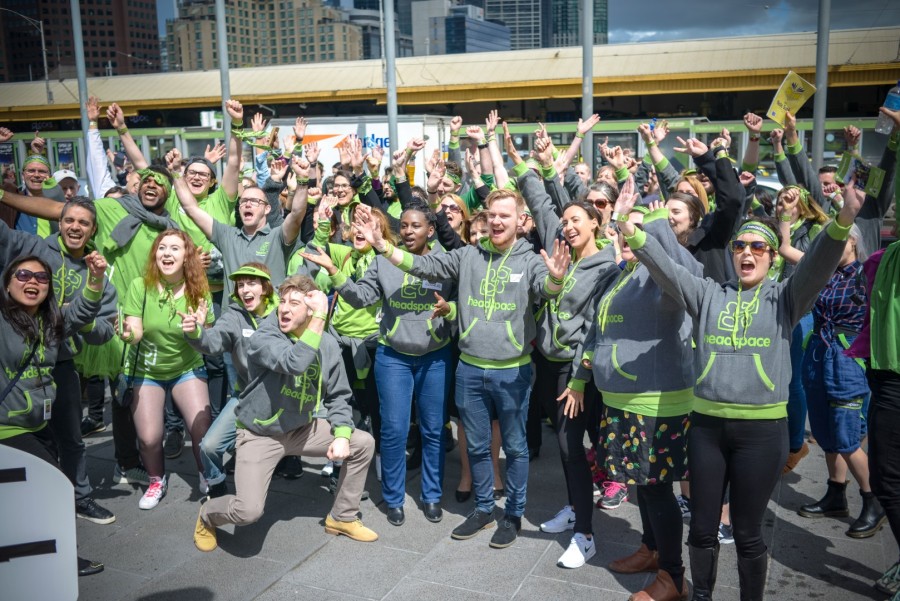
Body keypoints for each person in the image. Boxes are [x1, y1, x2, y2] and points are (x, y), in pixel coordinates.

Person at [614, 154, 865, 601]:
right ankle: (704, 595)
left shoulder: (786, 299)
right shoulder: (709, 293)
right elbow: (666, 270)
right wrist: (630, 229)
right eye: (740, 247)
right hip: (706, 428)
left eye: (759, 247)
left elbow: (820, 263)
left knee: (748, 534)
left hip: (760, 432)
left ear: (772, 254)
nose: (747, 253)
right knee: (703, 531)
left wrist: (844, 218)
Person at [353, 188, 570, 549]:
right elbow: (421, 264)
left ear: (521, 221)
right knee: (479, 447)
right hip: (469, 370)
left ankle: (513, 514)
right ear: (484, 220)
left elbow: (545, 289)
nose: (498, 221)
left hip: (512, 372)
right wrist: (383, 247)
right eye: (492, 215)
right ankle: (485, 510)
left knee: (514, 448)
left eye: (505, 215)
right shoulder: (467, 255)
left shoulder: (529, 259)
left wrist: (557, 279)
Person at [192, 275, 378, 551]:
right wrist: (319, 317)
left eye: (294, 303)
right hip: (259, 434)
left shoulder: (327, 345)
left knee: (362, 442)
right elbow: (295, 362)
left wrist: (340, 434)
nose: (284, 309)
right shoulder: (264, 336)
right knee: (248, 512)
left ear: (310, 309)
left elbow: (339, 395)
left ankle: (342, 517)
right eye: (282, 301)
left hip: (301, 429)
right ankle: (207, 515)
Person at [302, 201, 456, 526]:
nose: (410, 230)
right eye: (406, 225)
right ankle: (394, 497)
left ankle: (431, 496)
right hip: (393, 356)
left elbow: (463, 297)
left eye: (417, 226)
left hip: (434, 357)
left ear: (431, 230)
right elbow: (360, 297)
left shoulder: (445, 260)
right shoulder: (383, 261)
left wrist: (452, 307)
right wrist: (334, 272)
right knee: (394, 430)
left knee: (431, 430)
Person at [517, 146, 618, 569]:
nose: (568, 226)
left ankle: (585, 535)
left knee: (570, 444)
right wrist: (525, 163)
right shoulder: (561, 251)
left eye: (577, 220)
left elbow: (598, 328)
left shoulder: (607, 265)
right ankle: (577, 508)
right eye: (566, 221)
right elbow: (539, 200)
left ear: (596, 222)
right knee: (565, 448)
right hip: (549, 362)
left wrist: (579, 379)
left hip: (577, 372)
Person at [0, 196, 119, 526]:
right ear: (59, 223)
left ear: (92, 230)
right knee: (35, 440)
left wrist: (75, 318)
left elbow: (104, 330)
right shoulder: (34, 248)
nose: (75, 227)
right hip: (13, 362)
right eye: (69, 220)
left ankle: (79, 497)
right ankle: (39, 503)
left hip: (60, 365)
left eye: (83, 222)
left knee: (69, 438)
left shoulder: (99, 271)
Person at [0, 253, 108, 577]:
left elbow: (84, 309)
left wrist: (96, 276)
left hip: (38, 424)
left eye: (41, 278)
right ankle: (59, 559)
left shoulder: (53, 320)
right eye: (23, 275)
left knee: (28, 498)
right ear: (7, 283)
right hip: (8, 428)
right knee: (56, 490)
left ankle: (34, 557)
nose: (32, 282)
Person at [797, 224, 885, 538]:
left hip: (847, 361)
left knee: (847, 436)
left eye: (838, 240)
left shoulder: (867, 272)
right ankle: (836, 494)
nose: (831, 247)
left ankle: (874, 501)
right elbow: (787, 252)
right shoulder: (824, 272)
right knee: (825, 430)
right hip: (819, 358)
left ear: (853, 241)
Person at [119, 229, 214, 509]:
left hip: (187, 366)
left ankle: (205, 474)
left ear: (186, 256)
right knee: (149, 439)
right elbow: (134, 332)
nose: (167, 253)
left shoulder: (199, 287)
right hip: (147, 370)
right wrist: (126, 333)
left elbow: (207, 341)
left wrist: (199, 329)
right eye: (162, 248)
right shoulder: (140, 285)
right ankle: (156, 480)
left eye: (175, 248)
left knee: (202, 429)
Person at [184, 263, 278, 498]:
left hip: (283, 399)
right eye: (241, 284)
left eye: (251, 283)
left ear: (265, 287)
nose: (245, 289)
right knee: (209, 446)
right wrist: (197, 331)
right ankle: (216, 488)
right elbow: (213, 343)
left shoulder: (282, 312)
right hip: (246, 397)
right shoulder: (234, 316)